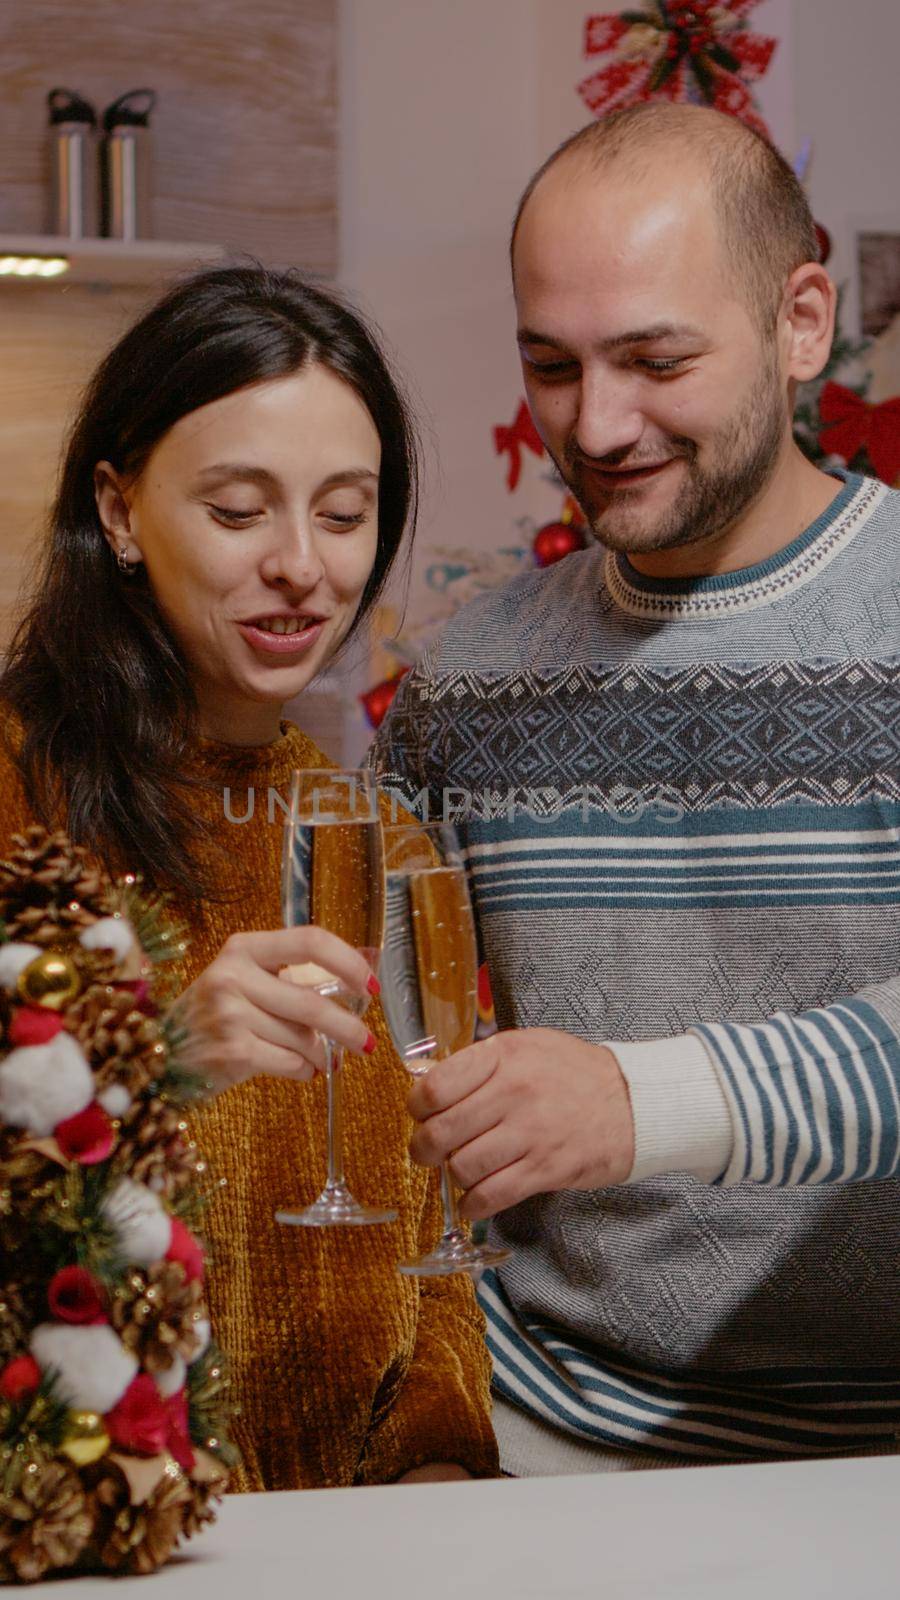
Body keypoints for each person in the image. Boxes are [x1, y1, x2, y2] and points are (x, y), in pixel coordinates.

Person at [372, 103, 900, 1476]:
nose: (595, 426)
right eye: (551, 366)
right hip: (546, 1426)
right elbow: (374, 1047)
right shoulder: (468, 675)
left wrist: (642, 1100)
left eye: (655, 361)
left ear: (799, 324)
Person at [0, 265, 497, 1490]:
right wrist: (151, 1050)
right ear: (117, 510)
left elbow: (434, 1272)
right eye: (237, 512)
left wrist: (437, 1491)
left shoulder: (370, 836)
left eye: (344, 513)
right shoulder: (16, 790)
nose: (302, 568)